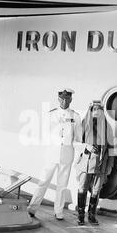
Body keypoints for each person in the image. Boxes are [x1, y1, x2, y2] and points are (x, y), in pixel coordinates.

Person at [27, 88, 82, 220]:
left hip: (67, 153)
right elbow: (44, 134)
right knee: (43, 181)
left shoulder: (75, 116)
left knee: (62, 185)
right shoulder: (51, 115)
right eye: (62, 99)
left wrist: (78, 154)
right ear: (58, 99)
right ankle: (32, 208)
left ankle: (58, 211)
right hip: (52, 153)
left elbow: (78, 138)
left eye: (67, 98)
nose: (64, 101)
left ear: (71, 99)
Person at [75, 101, 114, 226]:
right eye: (94, 109)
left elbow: (112, 149)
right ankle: (81, 215)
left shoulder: (108, 127)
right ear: (91, 111)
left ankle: (92, 215)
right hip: (86, 162)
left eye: (99, 109)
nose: (96, 112)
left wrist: (109, 166)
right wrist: (86, 146)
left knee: (96, 190)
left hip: (101, 164)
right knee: (83, 188)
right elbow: (75, 143)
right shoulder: (84, 124)